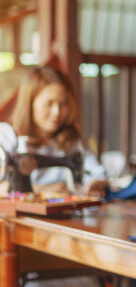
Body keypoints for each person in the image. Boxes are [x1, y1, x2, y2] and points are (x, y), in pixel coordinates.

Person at [0, 65, 108, 197]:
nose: (56, 112)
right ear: (30, 103)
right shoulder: (7, 137)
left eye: (63, 104)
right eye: (49, 104)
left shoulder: (73, 140)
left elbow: (97, 173)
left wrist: (95, 183)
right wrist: (45, 190)